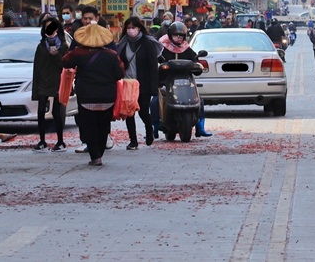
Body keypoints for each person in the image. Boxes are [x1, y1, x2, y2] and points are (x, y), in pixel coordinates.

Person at [61, 21, 125, 166]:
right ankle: (99, 153)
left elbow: (65, 62)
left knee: (89, 126)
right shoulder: (111, 55)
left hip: (86, 96)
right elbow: (120, 73)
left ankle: (95, 155)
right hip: (107, 96)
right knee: (103, 125)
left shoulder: (78, 52)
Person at [157, 21, 211, 137]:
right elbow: (156, 62)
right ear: (170, 35)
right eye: (176, 35)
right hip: (166, 83)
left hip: (186, 84)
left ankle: (200, 127)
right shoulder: (162, 47)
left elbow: (195, 60)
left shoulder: (186, 49)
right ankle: (154, 127)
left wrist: (198, 66)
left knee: (200, 101)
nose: (178, 38)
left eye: (181, 36)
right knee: (155, 101)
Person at [115, 16, 159, 149]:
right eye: (128, 28)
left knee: (143, 111)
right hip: (127, 83)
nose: (130, 31)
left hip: (143, 84)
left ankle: (149, 130)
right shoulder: (123, 44)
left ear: (139, 28)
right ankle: (133, 140)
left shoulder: (148, 43)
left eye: (133, 28)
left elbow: (153, 66)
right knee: (129, 112)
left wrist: (153, 87)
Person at [32, 16, 68, 152]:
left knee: (56, 112)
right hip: (43, 81)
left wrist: (57, 55)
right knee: (41, 110)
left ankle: (60, 141)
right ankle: (42, 141)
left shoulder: (63, 46)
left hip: (58, 81)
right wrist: (35, 89)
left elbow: (65, 65)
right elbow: (37, 68)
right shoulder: (41, 47)